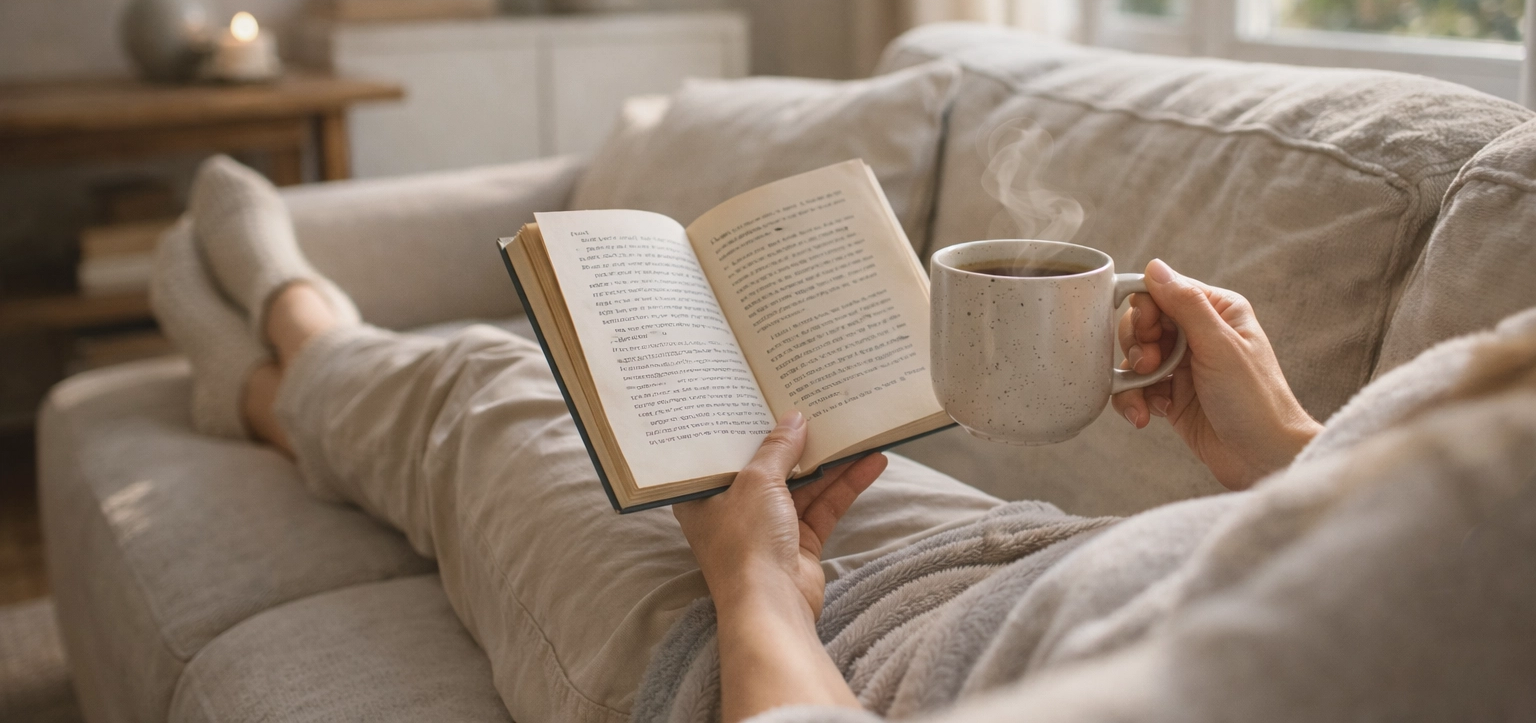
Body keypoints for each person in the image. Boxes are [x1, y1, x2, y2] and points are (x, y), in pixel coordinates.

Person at [152, 156, 1536, 723]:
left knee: (484, 390)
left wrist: (755, 585)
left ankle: (288, 342)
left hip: (797, 656)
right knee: (546, 385)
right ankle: (287, 364)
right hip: (1007, 555)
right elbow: (1332, 569)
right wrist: (1286, 447)